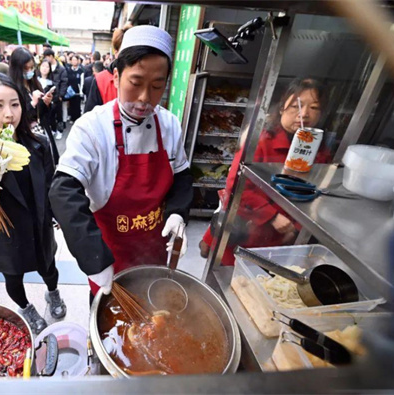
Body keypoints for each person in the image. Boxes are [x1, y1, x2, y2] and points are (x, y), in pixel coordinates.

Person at [49, 25, 193, 297]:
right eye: (136, 83)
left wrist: (177, 212)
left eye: (156, 86)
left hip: (154, 251)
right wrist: (93, 259)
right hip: (108, 256)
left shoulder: (170, 124)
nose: (144, 98)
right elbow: (63, 192)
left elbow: (182, 175)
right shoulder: (91, 128)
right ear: (116, 76)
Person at [0, 72, 67, 334]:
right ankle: (26, 309)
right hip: (5, 228)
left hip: (38, 222)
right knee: (13, 277)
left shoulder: (39, 144)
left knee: (49, 267)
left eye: (15, 103)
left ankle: (52, 293)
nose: (8, 113)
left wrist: (57, 216)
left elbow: (51, 185)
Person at [199, 78, 331, 264]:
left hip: (279, 236)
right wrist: (272, 216)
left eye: (314, 108)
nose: (304, 114)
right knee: (227, 268)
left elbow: (314, 194)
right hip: (245, 226)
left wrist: (296, 226)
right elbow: (236, 185)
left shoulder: (320, 151)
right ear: (282, 107)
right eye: (295, 106)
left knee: (256, 276)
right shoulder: (262, 140)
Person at [9, 48, 57, 163]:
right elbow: (19, 117)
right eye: (26, 69)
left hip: (42, 130)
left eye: (31, 68)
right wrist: (32, 103)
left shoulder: (34, 83)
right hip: (26, 136)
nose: (29, 71)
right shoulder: (12, 88)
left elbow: (42, 113)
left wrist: (46, 103)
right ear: (17, 69)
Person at [85, 23, 132, 113]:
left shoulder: (144, 79)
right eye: (125, 50)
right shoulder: (100, 80)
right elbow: (89, 118)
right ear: (116, 52)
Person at [37, 58, 60, 163]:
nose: (45, 69)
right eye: (43, 66)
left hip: (46, 112)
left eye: (47, 67)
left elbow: (55, 97)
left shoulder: (52, 82)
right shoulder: (34, 81)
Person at [43, 49, 68, 137]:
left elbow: (64, 82)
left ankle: (60, 131)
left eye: (46, 57)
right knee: (51, 114)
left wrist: (61, 95)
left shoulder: (60, 68)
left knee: (59, 114)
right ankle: (53, 129)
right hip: (49, 94)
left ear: (51, 56)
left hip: (58, 95)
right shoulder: (47, 67)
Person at [65, 54, 84, 123]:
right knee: (71, 104)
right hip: (70, 90)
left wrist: (81, 91)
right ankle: (72, 118)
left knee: (77, 105)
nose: (74, 61)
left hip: (77, 91)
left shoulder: (81, 71)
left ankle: (77, 118)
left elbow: (82, 81)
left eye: (75, 60)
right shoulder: (68, 70)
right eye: (72, 60)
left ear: (78, 61)